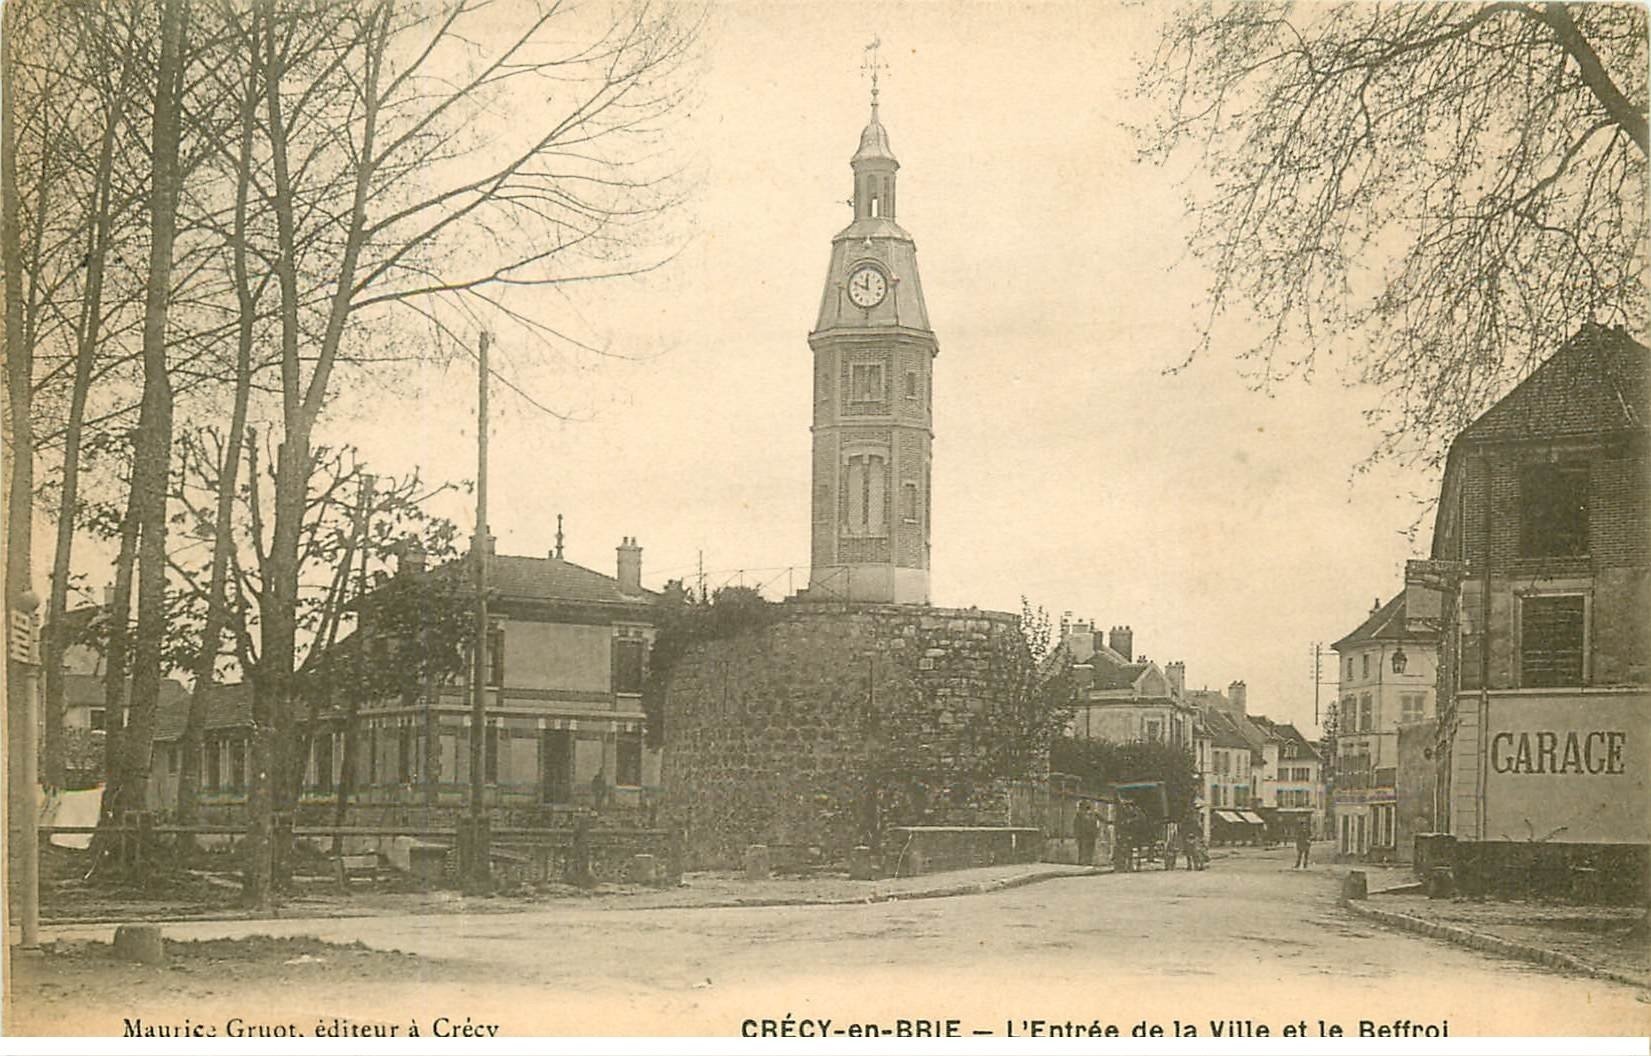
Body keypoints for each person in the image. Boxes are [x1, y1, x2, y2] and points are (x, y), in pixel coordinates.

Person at [1074, 801, 1099, 867]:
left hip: (1091, 835)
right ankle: (1082, 863)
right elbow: (1076, 825)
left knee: (1090, 848)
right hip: (1083, 835)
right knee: (1083, 849)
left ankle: (1088, 862)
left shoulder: (1093, 814)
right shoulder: (1079, 815)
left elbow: (1101, 819)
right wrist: (1076, 835)